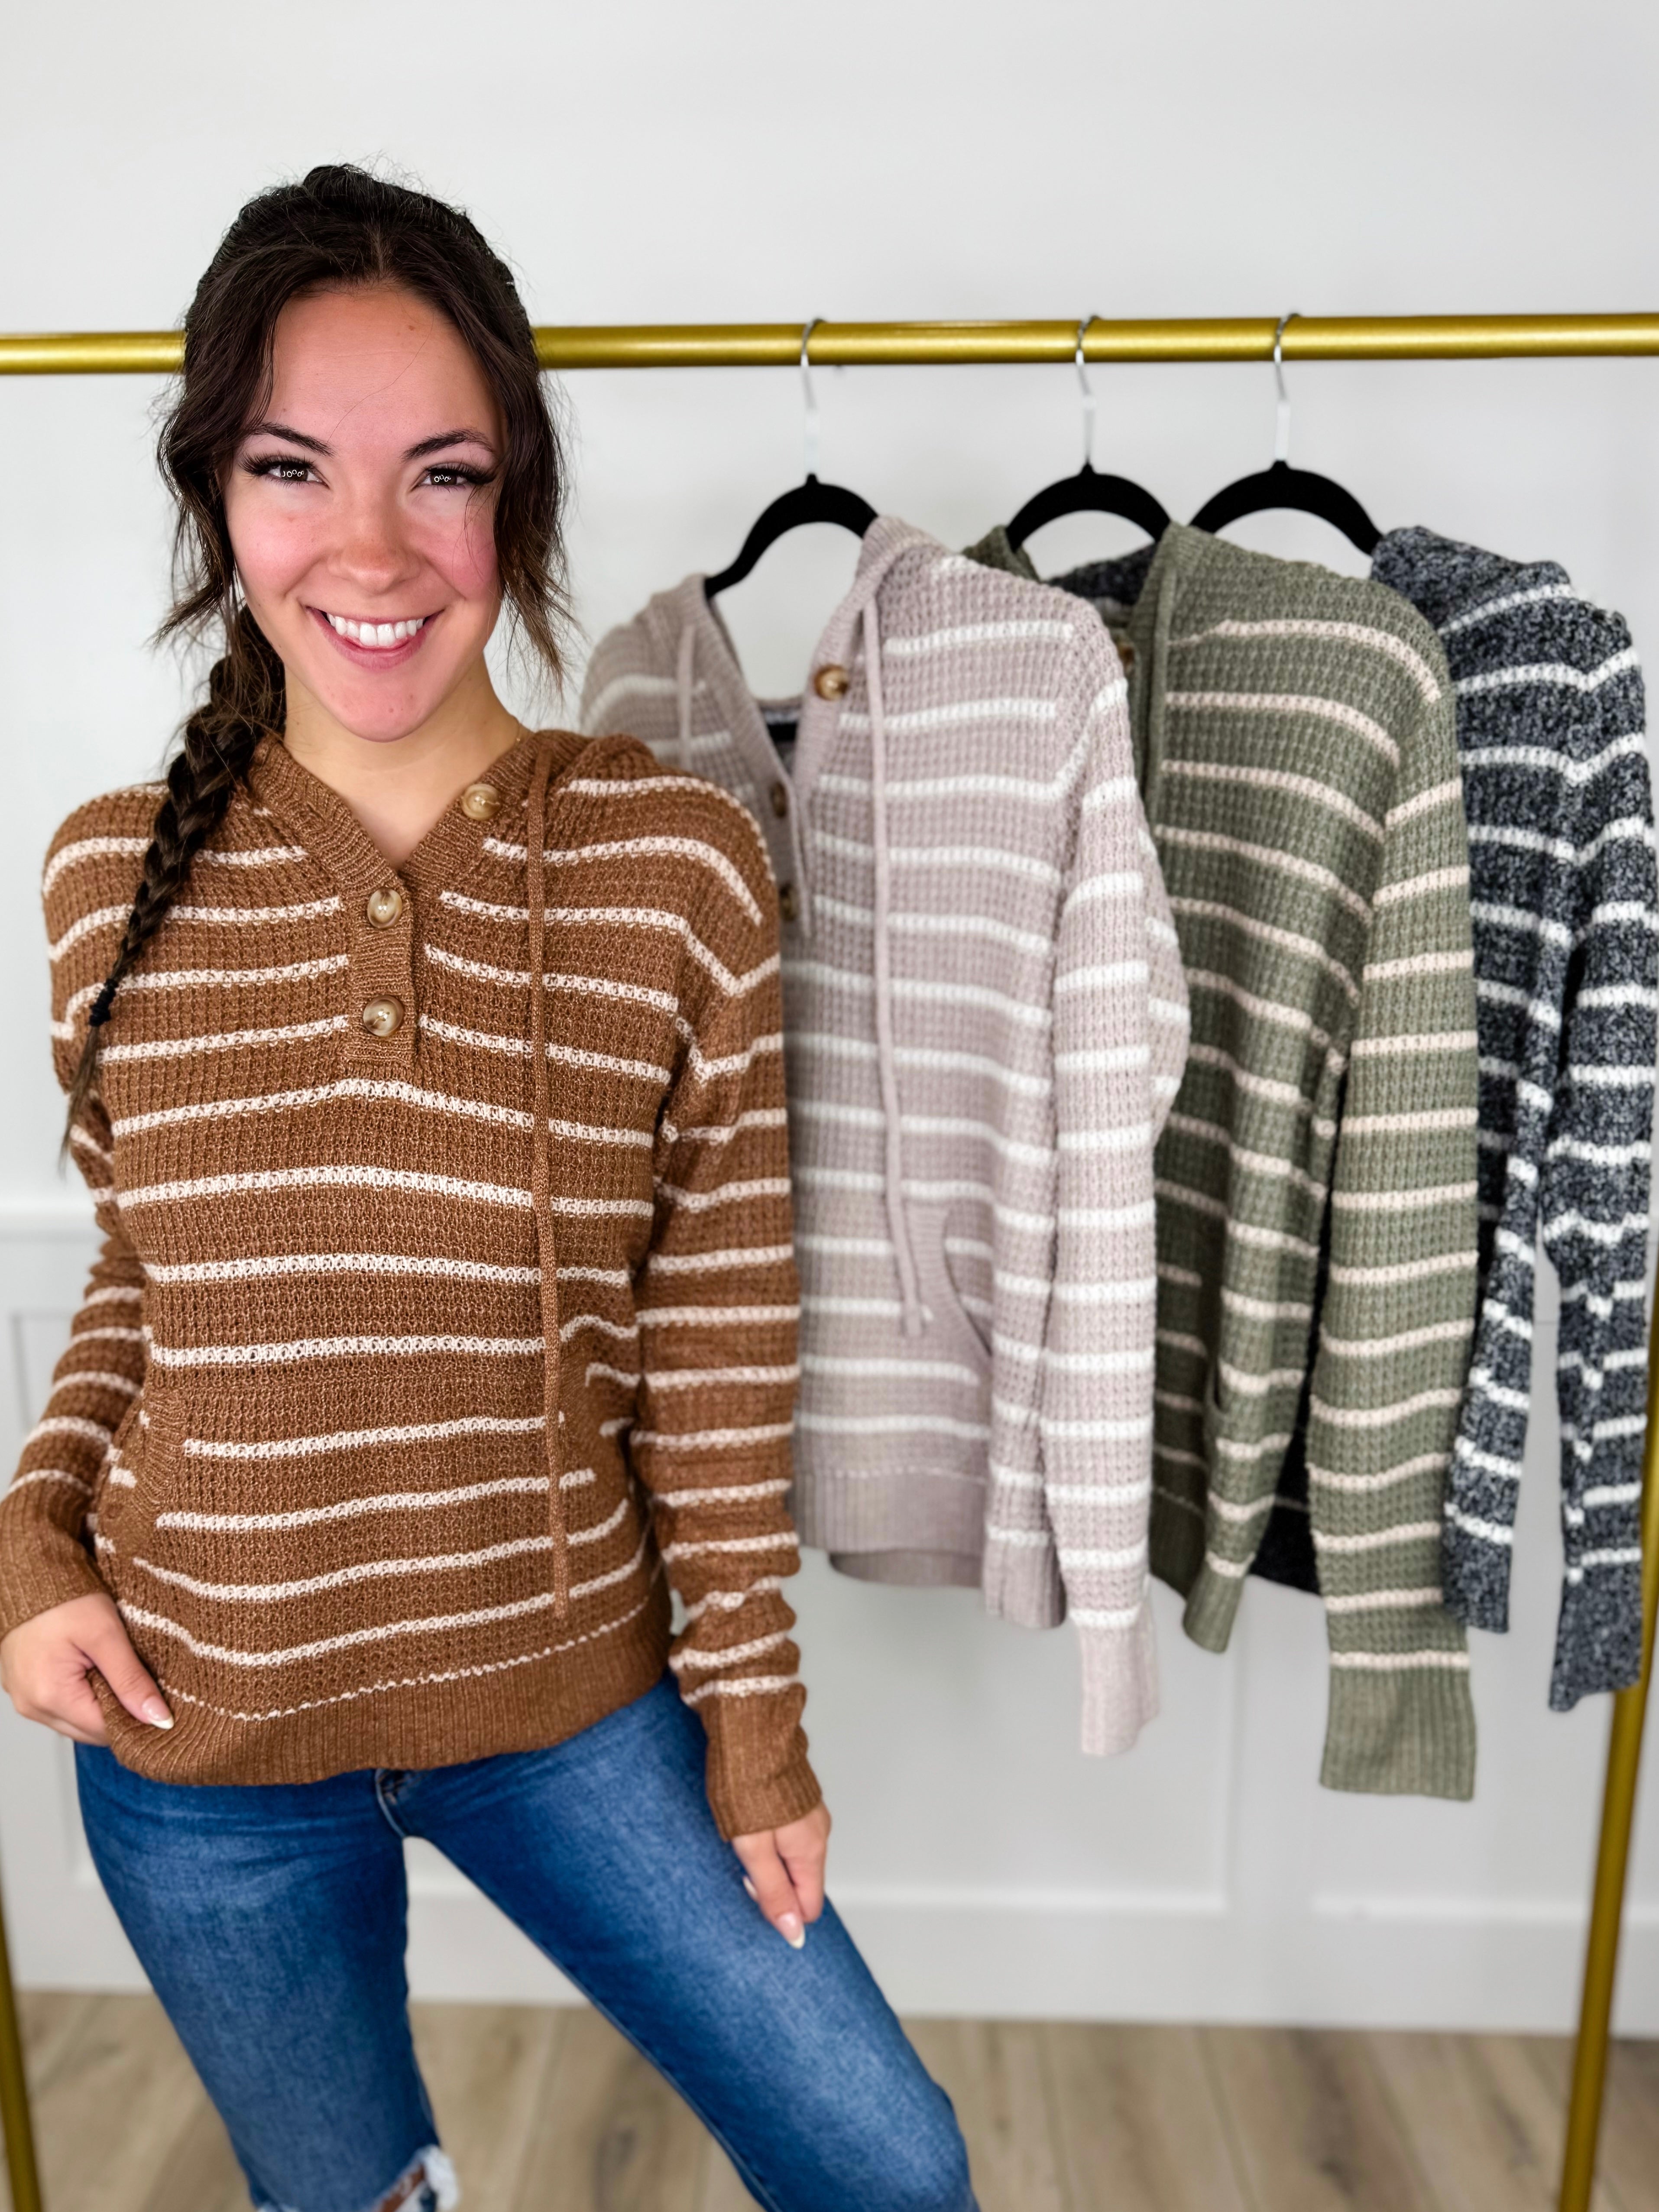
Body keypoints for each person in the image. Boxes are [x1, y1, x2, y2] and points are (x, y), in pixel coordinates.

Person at [0, 165, 975, 2212]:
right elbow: (144, 1279)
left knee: (888, 2165)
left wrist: (756, 1720)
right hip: (203, 1745)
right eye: (292, 469)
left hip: (572, 1711)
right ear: (216, 495)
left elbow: (714, 1342)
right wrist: (33, 1533)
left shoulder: (675, 861)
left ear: (514, 498)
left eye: (439, 475)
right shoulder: (103, 877)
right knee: (355, 2199)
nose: (369, 549)